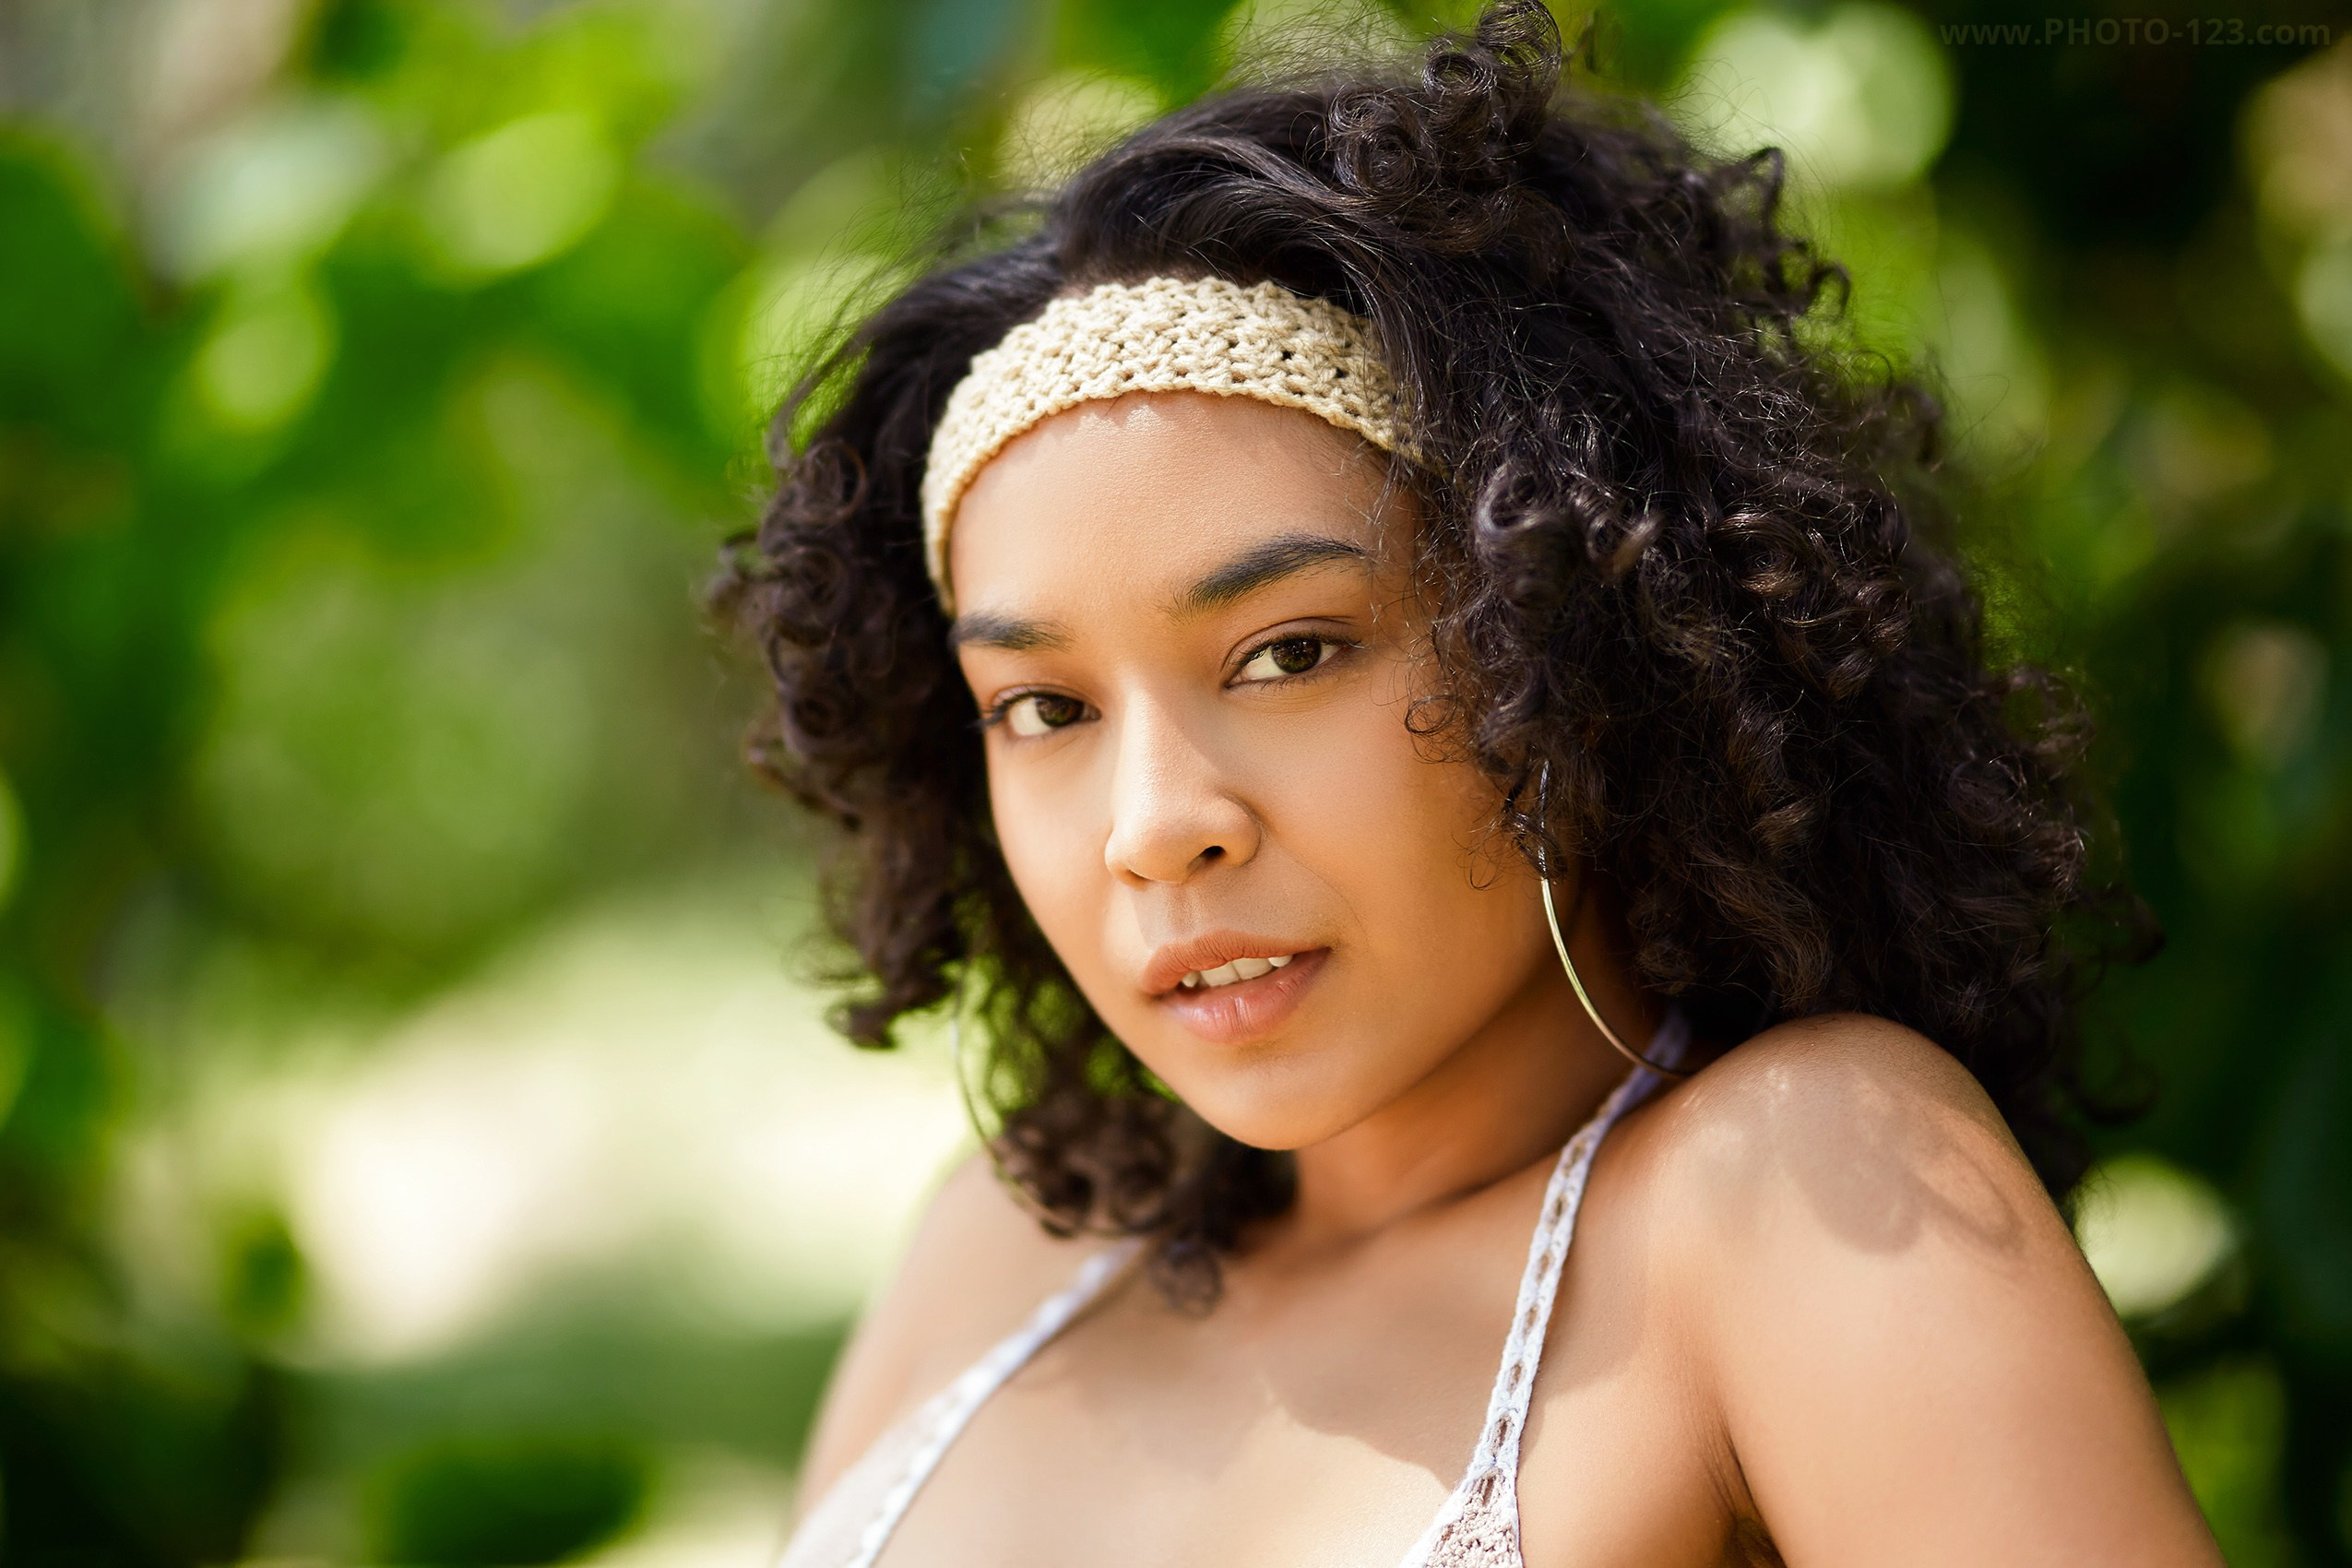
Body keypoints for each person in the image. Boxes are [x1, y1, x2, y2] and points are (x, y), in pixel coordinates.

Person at [714, 6, 2220, 1563]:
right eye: (1039, 706)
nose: (1155, 824)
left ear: (1579, 641)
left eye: (1291, 654)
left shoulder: (1783, 1196)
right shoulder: (1002, 1250)